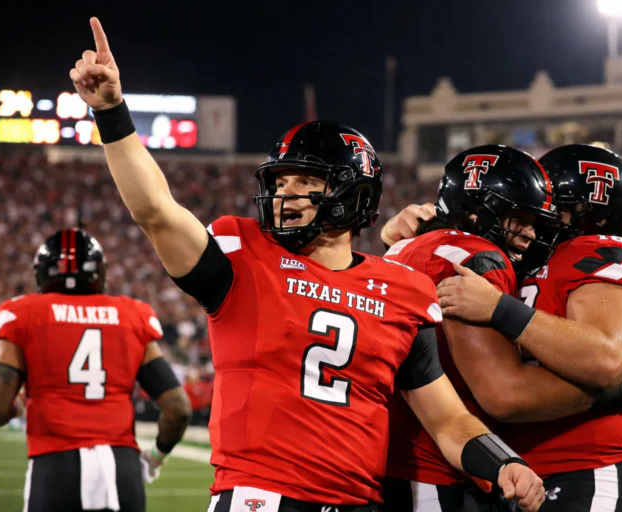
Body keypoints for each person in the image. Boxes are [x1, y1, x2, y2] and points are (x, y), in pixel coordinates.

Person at [68, 18, 546, 512]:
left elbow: (448, 420)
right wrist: (111, 113)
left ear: (351, 194)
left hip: (359, 503)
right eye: (281, 182)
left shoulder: (403, 289)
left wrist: (503, 461)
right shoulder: (244, 256)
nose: (285, 195)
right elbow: (156, 212)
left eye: (305, 182)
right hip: (260, 497)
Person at [380, 145, 622, 512]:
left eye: (548, 209)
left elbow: (605, 359)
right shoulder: (480, 254)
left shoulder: (601, 252)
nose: (535, 227)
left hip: (586, 466)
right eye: (524, 213)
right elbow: (503, 392)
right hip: (495, 468)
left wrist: (500, 308)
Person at [0, 228, 192, 512]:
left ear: (41, 272)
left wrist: (18, 406)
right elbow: (178, 409)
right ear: (99, 273)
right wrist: (154, 458)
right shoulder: (131, 315)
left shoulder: (24, 313)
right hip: (121, 470)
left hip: (55, 467)